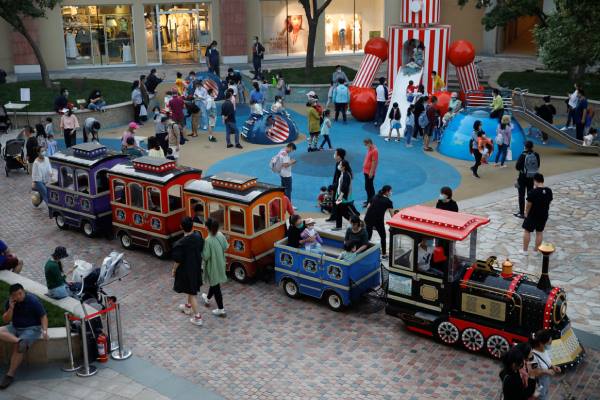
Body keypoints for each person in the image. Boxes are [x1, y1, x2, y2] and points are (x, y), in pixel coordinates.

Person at [0, 283, 48, 389]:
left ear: (23, 291)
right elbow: (6, 320)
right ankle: (19, 340)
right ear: (11, 296)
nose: (18, 296)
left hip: (32, 328)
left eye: (20, 293)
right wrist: (11, 308)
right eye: (15, 295)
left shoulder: (33, 300)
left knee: (19, 348)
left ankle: (10, 375)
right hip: (15, 327)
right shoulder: (10, 302)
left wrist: (44, 330)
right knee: (19, 342)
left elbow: (43, 316)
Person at [172, 217, 204, 326]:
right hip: (196, 268)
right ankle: (187, 307)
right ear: (192, 226)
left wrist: (174, 269)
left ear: (181, 227)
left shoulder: (180, 243)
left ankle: (197, 317)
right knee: (191, 290)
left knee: (192, 293)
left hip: (187, 271)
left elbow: (178, 260)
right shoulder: (198, 237)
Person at [201, 219, 229, 317]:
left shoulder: (208, 240)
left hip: (213, 266)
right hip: (221, 263)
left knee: (216, 286)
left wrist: (201, 250)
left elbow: (206, 256)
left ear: (207, 227)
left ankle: (221, 309)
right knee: (215, 283)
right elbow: (226, 246)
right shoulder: (220, 234)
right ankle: (208, 298)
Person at [522, 173, 552, 254]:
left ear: (535, 181)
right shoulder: (549, 191)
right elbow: (549, 202)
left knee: (527, 231)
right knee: (539, 233)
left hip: (533, 215)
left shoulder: (533, 192)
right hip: (543, 215)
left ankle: (525, 251)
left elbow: (529, 204)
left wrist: (526, 213)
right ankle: (536, 251)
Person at [531, 329, 561, 400]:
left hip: (545, 383)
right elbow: (533, 373)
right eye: (549, 343)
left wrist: (553, 366)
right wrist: (546, 371)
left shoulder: (544, 350)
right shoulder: (533, 356)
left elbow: (546, 362)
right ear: (541, 343)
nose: (550, 345)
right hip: (539, 385)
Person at [364, 185, 394, 257]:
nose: (391, 193)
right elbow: (392, 215)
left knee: (368, 236)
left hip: (368, 219)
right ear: (387, 192)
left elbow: (368, 207)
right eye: (390, 191)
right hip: (378, 221)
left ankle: (365, 251)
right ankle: (384, 254)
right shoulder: (388, 201)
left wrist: (366, 218)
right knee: (383, 237)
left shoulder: (375, 196)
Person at [514, 140, 540, 219]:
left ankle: (522, 213)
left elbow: (517, 167)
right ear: (532, 147)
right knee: (530, 194)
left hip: (522, 177)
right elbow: (538, 165)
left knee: (521, 195)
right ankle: (530, 211)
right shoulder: (536, 154)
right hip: (532, 177)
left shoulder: (523, 155)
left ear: (525, 147)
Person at [333, 160, 357, 231]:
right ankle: (339, 226)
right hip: (341, 195)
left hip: (343, 197)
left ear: (343, 167)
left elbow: (344, 187)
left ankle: (355, 222)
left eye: (340, 164)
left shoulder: (346, 175)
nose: (339, 165)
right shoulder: (344, 173)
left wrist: (340, 197)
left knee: (343, 212)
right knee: (340, 211)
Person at [362, 138, 378, 206]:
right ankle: (369, 200)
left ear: (369, 143)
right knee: (368, 187)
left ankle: (371, 201)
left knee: (369, 187)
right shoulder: (370, 149)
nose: (365, 146)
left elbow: (374, 162)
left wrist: (371, 172)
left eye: (366, 145)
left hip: (369, 172)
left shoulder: (374, 151)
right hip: (366, 171)